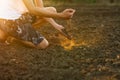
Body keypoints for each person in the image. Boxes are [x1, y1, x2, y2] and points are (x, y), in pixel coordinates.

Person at [0, 0, 75, 49]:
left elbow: (40, 10)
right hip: (9, 20)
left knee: (51, 10)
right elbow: (33, 10)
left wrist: (56, 25)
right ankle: (14, 36)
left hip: (21, 16)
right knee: (43, 44)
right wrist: (60, 15)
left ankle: (13, 32)